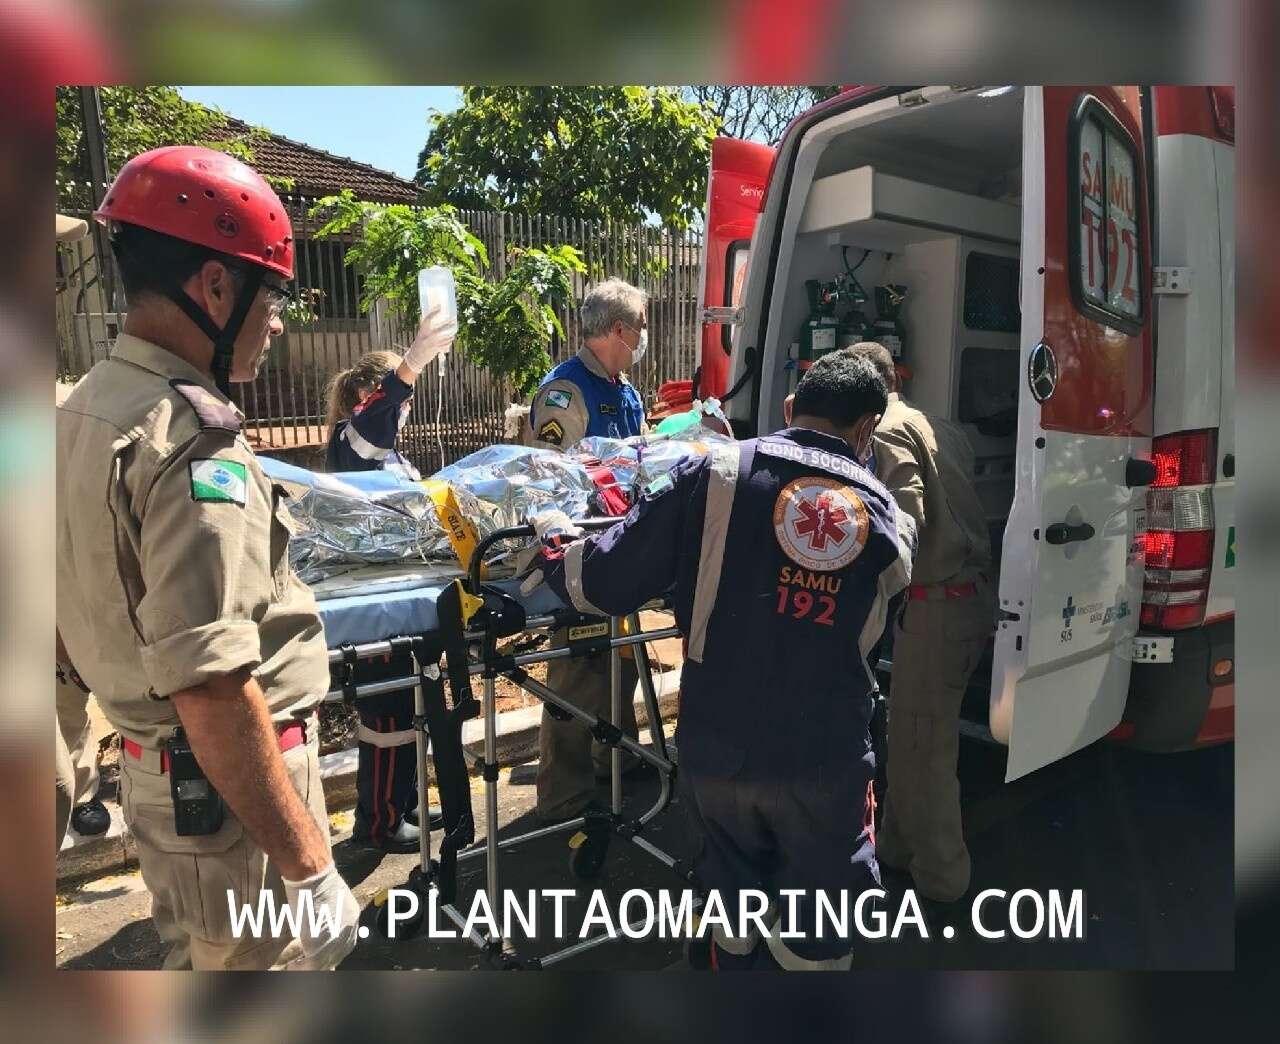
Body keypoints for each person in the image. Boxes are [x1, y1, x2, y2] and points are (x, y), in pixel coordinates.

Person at [56, 146, 359, 970]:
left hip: (173, 788)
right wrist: (311, 865)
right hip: (230, 808)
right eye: (276, 294)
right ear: (216, 287)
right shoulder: (190, 442)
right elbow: (214, 683)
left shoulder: (85, 409)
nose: (281, 319)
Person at [523, 349, 916, 969]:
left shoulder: (715, 473)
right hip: (824, 758)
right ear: (869, 428)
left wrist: (552, 541)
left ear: (790, 409)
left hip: (719, 751)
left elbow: (601, 583)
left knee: (731, 919)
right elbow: (880, 630)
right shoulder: (885, 517)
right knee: (820, 937)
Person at [849, 341, 995, 905]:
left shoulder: (883, 431)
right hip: (968, 599)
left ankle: (942, 877)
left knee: (923, 747)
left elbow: (906, 520)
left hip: (936, 605)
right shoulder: (939, 424)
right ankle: (895, 847)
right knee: (914, 738)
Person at [323, 336, 455, 852]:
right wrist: (410, 369)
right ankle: (377, 822)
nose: (403, 416)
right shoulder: (351, 443)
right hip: (376, 614)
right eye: (401, 405)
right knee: (389, 719)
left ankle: (407, 800)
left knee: (415, 709)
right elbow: (375, 423)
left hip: (408, 604)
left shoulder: (386, 454)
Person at [524, 279, 648, 823]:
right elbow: (548, 479)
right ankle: (564, 794)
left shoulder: (625, 390)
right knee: (578, 669)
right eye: (641, 327)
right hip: (580, 554)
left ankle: (613, 757)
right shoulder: (564, 392)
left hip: (622, 546)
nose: (644, 336)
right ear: (619, 330)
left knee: (623, 663)